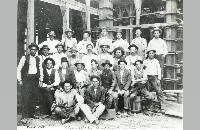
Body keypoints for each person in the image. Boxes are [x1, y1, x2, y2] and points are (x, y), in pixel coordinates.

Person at [17, 43, 43, 123]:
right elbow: (18, 69)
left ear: (36, 51)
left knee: (34, 96)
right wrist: (19, 79)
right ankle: (24, 116)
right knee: (25, 97)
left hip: (35, 79)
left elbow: (40, 69)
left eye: (35, 50)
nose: (33, 51)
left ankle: (31, 113)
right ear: (29, 50)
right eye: (32, 49)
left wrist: (41, 80)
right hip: (27, 79)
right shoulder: (24, 58)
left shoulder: (39, 58)